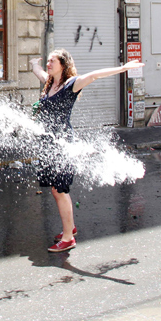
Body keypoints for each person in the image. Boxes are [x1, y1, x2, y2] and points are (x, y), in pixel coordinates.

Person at [30, 49, 144, 253]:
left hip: (62, 144)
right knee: (57, 191)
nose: (48, 64)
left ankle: (67, 238)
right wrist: (33, 64)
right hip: (49, 143)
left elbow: (94, 75)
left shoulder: (71, 84)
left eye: (52, 61)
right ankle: (69, 227)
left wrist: (123, 68)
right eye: (47, 61)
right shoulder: (50, 83)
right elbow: (38, 72)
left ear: (63, 64)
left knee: (60, 190)